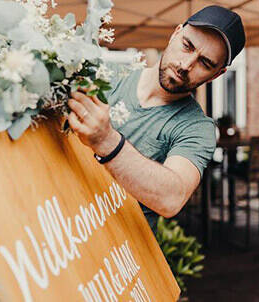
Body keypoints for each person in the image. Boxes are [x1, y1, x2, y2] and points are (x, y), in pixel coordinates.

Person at [67, 5, 246, 233]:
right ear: (175, 33)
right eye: (187, 46)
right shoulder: (105, 76)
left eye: (205, 63)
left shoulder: (197, 128)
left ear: (218, 73)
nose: (185, 65)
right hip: (54, 229)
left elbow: (171, 198)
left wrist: (107, 141)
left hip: (115, 256)